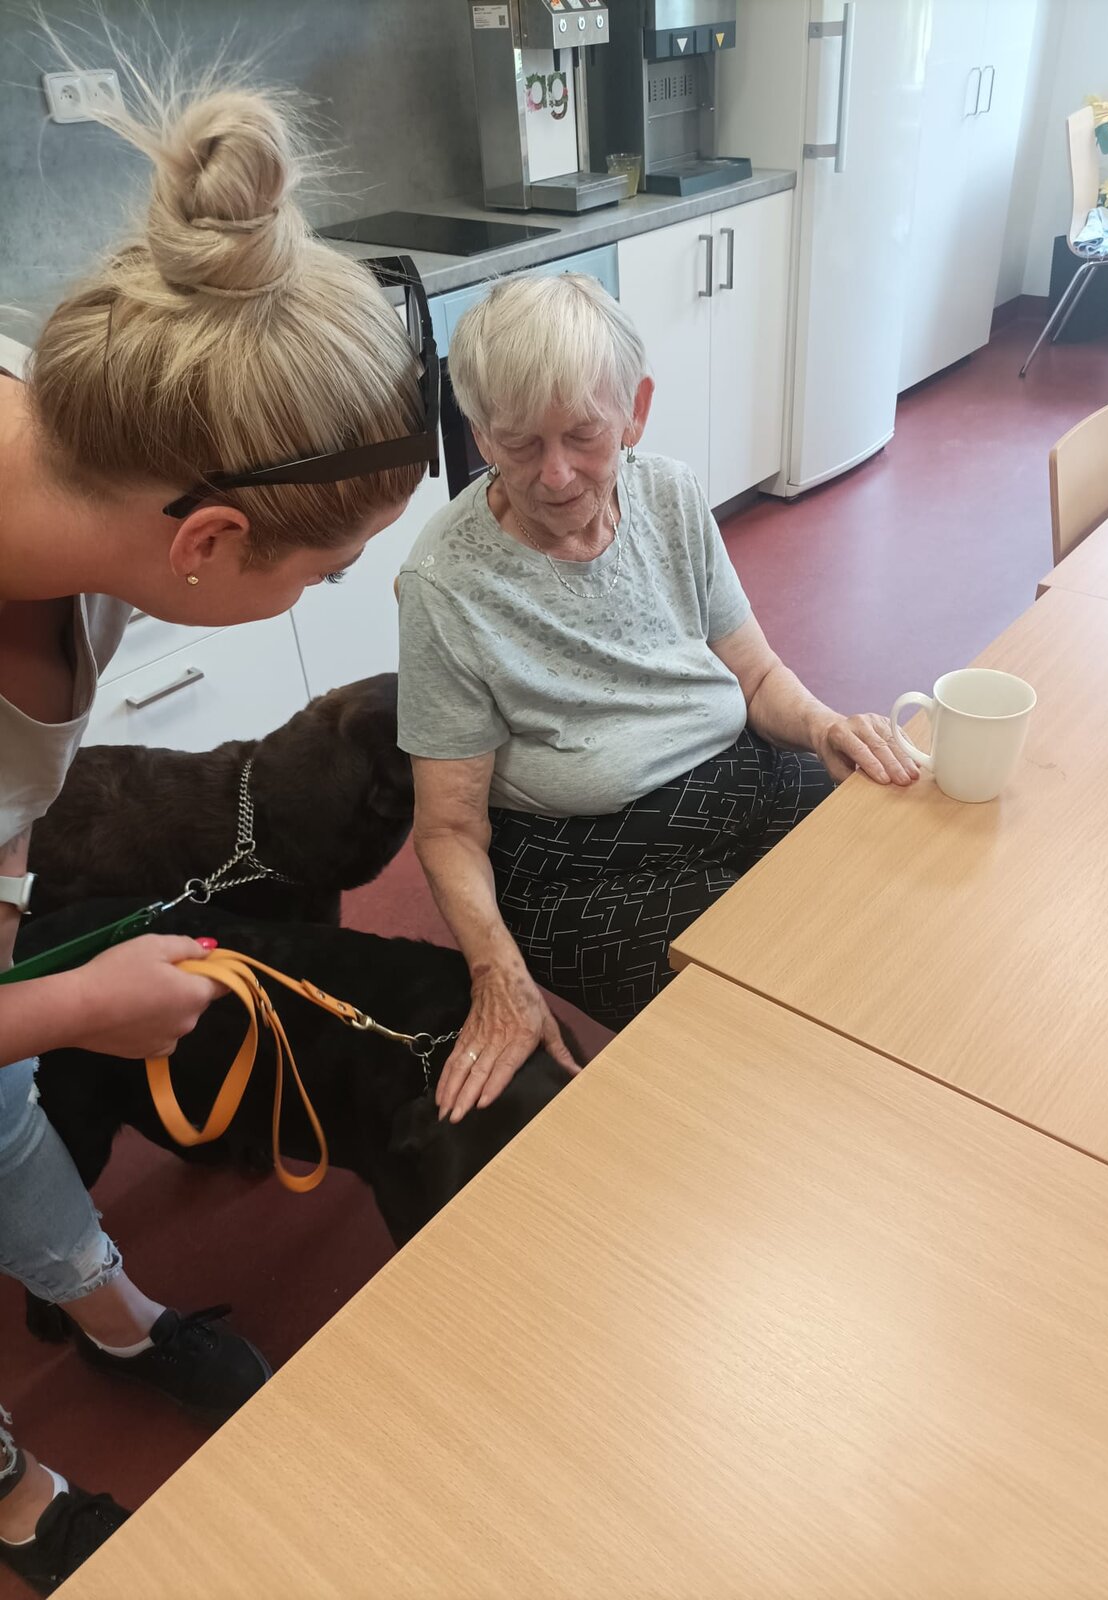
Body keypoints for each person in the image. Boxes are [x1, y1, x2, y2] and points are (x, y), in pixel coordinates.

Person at [0, 80, 435, 1593]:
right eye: (326, 575)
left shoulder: (71, 441)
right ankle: (13, 1486)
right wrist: (80, 1004)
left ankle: (106, 1311)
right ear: (208, 543)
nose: (322, 597)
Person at [397, 272, 919, 1126]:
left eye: (584, 434)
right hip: (582, 863)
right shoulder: (443, 584)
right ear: (480, 433)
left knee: (892, 893)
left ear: (633, 410)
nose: (556, 474)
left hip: (735, 779)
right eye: (518, 444)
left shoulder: (667, 493)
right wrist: (496, 974)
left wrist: (823, 725)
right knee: (765, 1021)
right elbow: (449, 828)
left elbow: (754, 678)